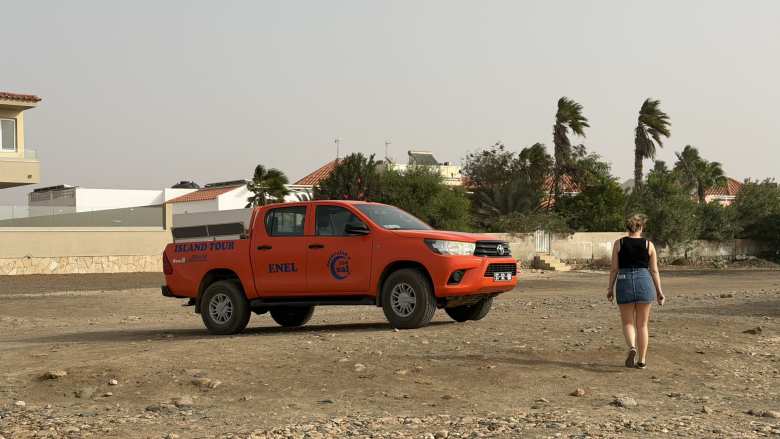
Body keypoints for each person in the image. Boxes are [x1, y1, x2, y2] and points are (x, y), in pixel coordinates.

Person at [607, 214, 665, 369]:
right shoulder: (649, 245)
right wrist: (659, 292)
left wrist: (610, 288)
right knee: (642, 325)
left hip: (624, 281)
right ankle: (642, 360)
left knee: (627, 322)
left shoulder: (618, 244)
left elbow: (614, 269)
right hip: (644, 281)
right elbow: (654, 270)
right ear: (641, 227)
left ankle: (632, 346)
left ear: (628, 227)